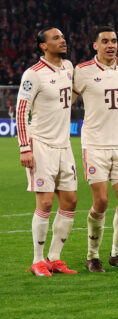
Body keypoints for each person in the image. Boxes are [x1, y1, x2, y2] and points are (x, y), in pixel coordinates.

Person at [73, 26, 118, 272]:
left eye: (113, 40)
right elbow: (66, 101)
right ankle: (92, 255)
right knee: (101, 201)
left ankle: (116, 254)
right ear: (95, 45)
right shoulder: (81, 71)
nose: (110, 45)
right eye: (104, 41)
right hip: (93, 144)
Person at [18, 27, 79, 276]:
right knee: (44, 202)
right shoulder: (33, 74)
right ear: (43, 46)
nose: (62, 40)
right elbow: (22, 111)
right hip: (41, 144)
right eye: (56, 38)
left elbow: (70, 96)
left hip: (65, 145)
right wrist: (25, 148)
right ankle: (37, 260)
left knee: (70, 201)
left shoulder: (68, 67)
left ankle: (54, 258)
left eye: (63, 36)